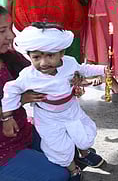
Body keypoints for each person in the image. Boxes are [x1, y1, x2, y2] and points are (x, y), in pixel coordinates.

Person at [2, 25, 109, 180]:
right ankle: (73, 170)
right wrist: (7, 116)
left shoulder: (70, 63)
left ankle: (85, 154)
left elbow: (83, 69)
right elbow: (10, 90)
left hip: (71, 110)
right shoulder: (28, 75)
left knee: (82, 137)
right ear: (29, 56)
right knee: (60, 149)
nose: (44, 63)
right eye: (36, 57)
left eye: (50, 55)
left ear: (62, 53)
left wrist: (103, 69)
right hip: (48, 118)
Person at [0, 8, 70, 181]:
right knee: (58, 176)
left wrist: (72, 76)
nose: (11, 36)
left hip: (22, 132)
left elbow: (44, 72)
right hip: (3, 148)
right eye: (2, 31)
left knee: (71, 149)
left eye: (10, 28)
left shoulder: (10, 57)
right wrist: (20, 99)